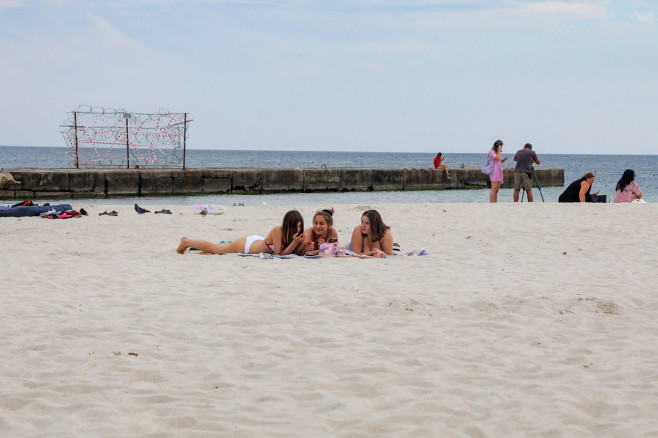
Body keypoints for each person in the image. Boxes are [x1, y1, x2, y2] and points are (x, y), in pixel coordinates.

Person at [176, 210, 305, 255]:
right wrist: (294, 243)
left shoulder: (296, 237)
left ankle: (221, 245)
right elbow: (279, 254)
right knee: (215, 249)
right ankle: (186, 241)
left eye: (300, 227)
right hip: (246, 246)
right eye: (295, 227)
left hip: (259, 241)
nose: (298, 230)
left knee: (219, 248)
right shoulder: (278, 230)